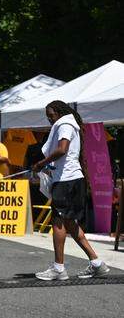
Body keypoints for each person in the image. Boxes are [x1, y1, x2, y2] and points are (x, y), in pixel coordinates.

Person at [31, 101, 109, 280]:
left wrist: (41, 164)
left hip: (66, 181)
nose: (49, 119)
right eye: (48, 116)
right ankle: (97, 264)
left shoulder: (65, 124)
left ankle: (58, 268)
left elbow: (62, 149)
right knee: (71, 224)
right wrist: (49, 167)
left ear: (59, 112)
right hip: (72, 179)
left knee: (58, 222)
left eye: (51, 115)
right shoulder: (70, 123)